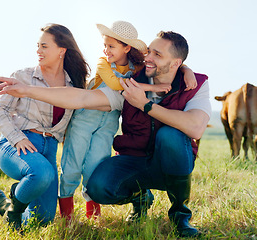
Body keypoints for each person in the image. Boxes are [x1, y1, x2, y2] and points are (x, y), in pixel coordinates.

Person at [0, 31, 210, 237]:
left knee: (171, 135)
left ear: (176, 64)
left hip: (171, 165)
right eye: (149, 51)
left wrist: (147, 105)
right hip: (136, 161)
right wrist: (27, 90)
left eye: (156, 54)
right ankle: (139, 195)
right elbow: (82, 98)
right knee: (91, 189)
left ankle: (180, 215)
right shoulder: (131, 84)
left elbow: (195, 127)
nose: (148, 57)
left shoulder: (195, 84)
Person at [58, 21, 197, 221]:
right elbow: (117, 84)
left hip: (108, 123)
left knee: (94, 166)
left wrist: (186, 71)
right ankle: (67, 218)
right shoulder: (102, 62)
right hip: (86, 116)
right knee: (72, 165)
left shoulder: (137, 67)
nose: (105, 50)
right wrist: (153, 88)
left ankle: (93, 217)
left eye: (111, 46)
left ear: (127, 47)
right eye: (105, 45)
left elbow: (171, 61)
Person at [0, 24, 90, 231]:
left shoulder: (73, 86)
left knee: (42, 220)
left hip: (48, 149)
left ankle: (2, 203)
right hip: (16, 144)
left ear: (62, 50)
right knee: (42, 174)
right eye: (37, 46)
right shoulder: (23, 76)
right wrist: (17, 138)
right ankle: (13, 214)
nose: (38, 51)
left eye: (44, 46)